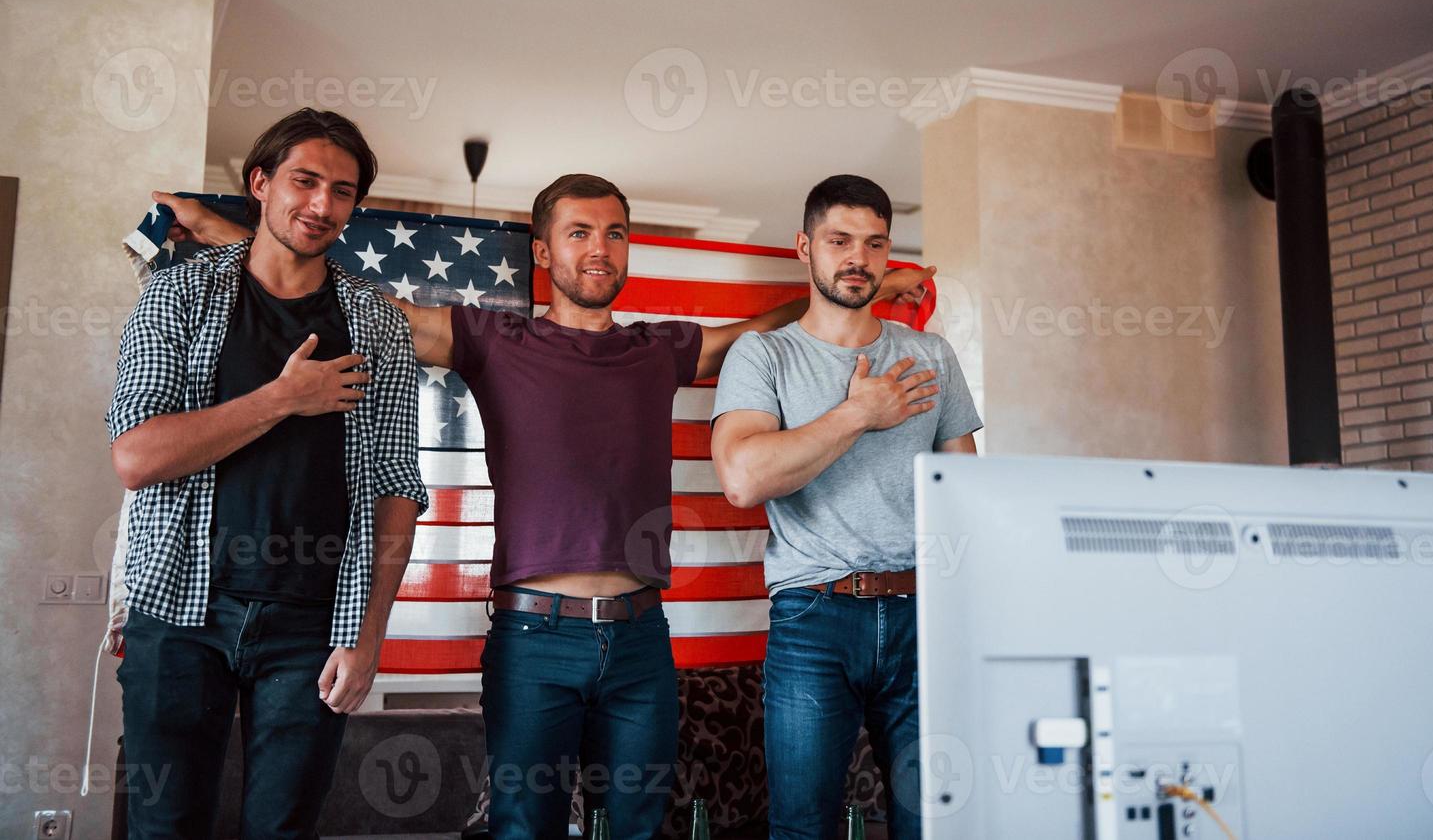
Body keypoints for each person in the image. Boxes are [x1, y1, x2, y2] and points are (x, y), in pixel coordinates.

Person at [154, 171, 932, 839]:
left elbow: (758, 333)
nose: (601, 248)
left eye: (616, 233)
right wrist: (229, 233)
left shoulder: (655, 349)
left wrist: (870, 286)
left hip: (639, 644)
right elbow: (361, 305)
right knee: (524, 827)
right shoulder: (495, 341)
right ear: (544, 252)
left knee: (636, 824)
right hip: (533, 641)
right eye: (581, 232)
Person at [106, 109, 427, 839]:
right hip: (180, 614)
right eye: (304, 181)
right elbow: (138, 457)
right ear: (260, 183)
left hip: (312, 626)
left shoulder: (377, 324)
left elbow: (396, 487)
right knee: (164, 826)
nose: (321, 205)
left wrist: (369, 634)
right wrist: (283, 398)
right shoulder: (178, 295)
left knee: (283, 830)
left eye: (341, 191)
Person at [709, 174, 981, 840]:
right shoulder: (763, 353)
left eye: (875, 244)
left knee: (940, 823)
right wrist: (860, 412)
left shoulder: (931, 356)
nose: (858, 258)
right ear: (805, 248)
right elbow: (743, 478)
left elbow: (966, 495)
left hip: (925, 616)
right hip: (814, 617)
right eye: (839, 240)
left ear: (889, 255)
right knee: (803, 829)